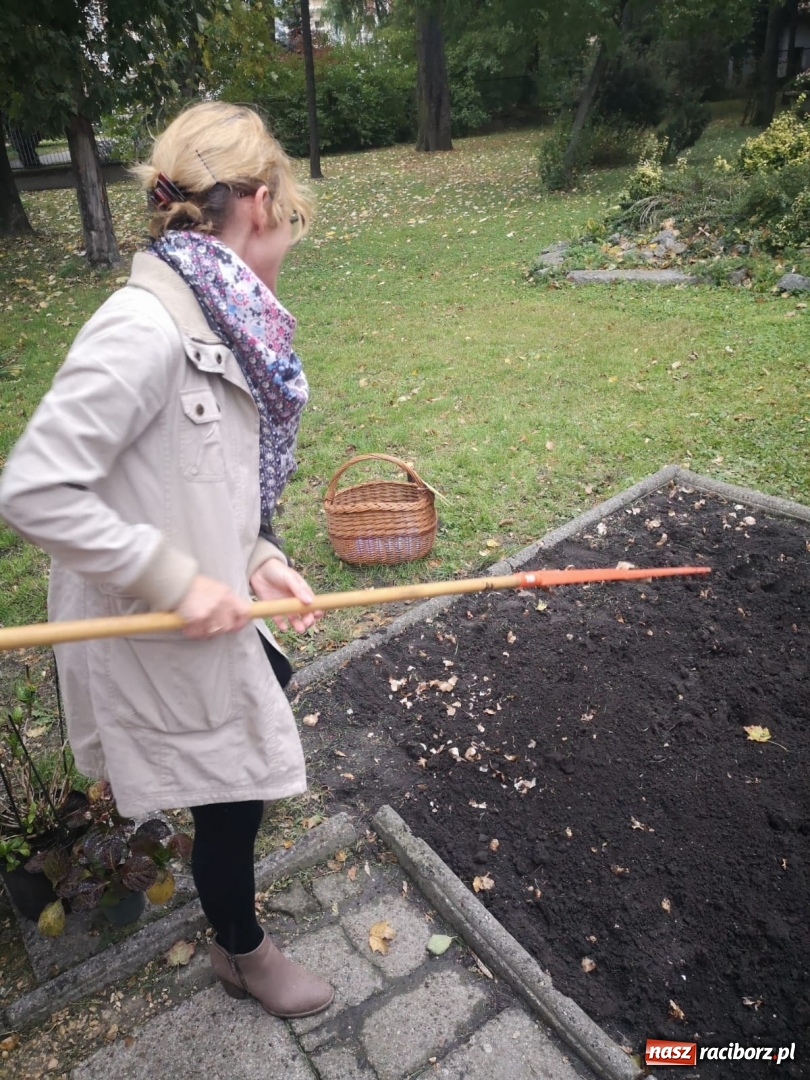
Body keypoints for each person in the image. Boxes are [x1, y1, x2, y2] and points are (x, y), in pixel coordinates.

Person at [0, 102, 334, 1019]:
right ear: (259, 204)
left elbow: (198, 480)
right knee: (233, 794)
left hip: (216, 608)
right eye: (291, 219)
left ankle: (238, 937)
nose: (289, 237)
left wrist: (258, 553)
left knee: (247, 767)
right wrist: (177, 579)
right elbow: (35, 489)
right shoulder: (144, 325)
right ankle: (242, 953)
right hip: (156, 628)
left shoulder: (221, 314)